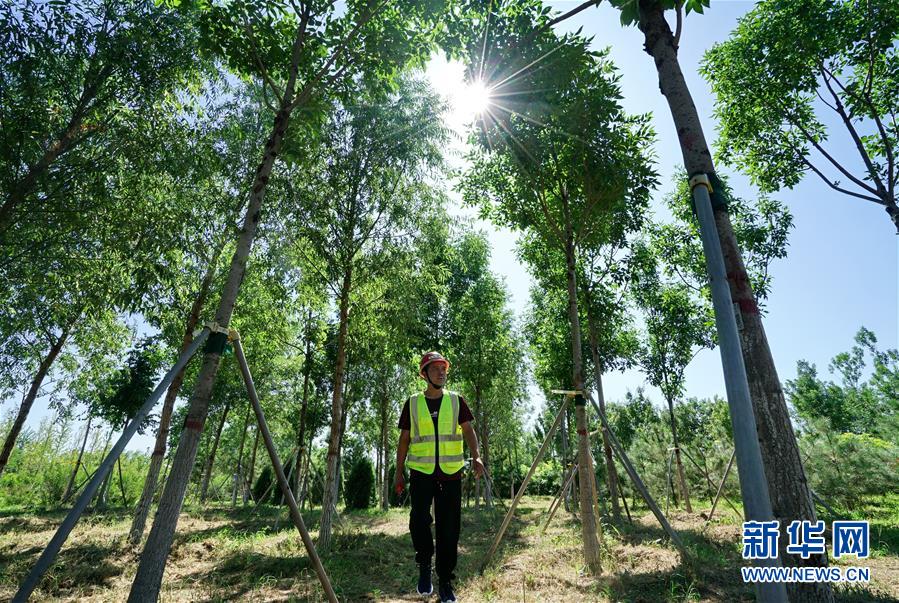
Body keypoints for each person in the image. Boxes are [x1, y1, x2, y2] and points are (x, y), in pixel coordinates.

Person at [394, 351, 484, 603]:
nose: (441, 372)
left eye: (443, 368)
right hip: (421, 473)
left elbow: (468, 430)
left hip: (451, 474)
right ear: (424, 374)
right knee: (418, 520)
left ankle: (445, 581)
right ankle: (424, 564)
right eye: (435, 369)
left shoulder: (456, 400)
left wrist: (477, 456)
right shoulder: (412, 403)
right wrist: (398, 471)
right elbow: (404, 439)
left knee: (449, 529)